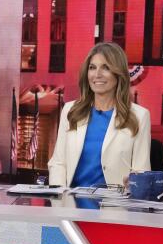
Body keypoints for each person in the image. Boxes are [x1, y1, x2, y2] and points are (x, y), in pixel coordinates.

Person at [47, 42, 151, 187]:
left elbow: (142, 171)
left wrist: (134, 184)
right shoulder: (70, 111)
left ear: (118, 73)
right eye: (92, 68)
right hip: (71, 205)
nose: (97, 75)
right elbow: (58, 163)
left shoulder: (140, 116)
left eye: (106, 68)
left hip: (115, 205)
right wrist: (58, 199)